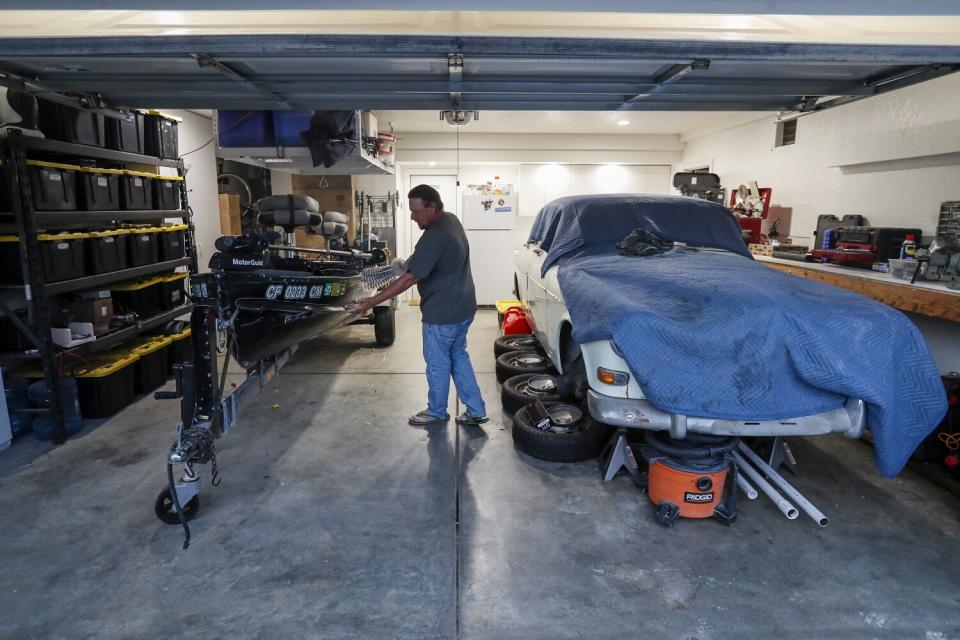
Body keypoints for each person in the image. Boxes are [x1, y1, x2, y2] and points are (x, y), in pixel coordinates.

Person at [347, 184, 487, 426]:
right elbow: (426, 260)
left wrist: (371, 301)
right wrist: (407, 264)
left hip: (442, 313)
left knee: (437, 363)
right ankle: (476, 410)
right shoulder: (450, 221)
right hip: (463, 308)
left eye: (416, 211)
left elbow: (410, 279)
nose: (412, 216)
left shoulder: (434, 236)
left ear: (432, 207)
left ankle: (436, 411)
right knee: (458, 356)